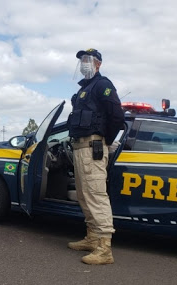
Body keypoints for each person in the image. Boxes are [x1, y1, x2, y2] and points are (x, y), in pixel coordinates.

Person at [67, 48, 124, 265]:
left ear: (98, 63)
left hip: (93, 148)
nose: (83, 63)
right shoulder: (86, 89)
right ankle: (92, 239)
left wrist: (105, 141)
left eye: (87, 59)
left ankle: (104, 249)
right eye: (81, 59)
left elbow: (117, 117)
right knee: (84, 195)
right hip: (81, 149)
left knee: (96, 196)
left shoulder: (102, 85)